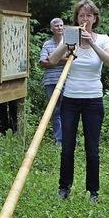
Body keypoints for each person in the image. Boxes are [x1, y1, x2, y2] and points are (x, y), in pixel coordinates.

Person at [48, 0, 109, 203]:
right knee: (67, 146)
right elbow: (52, 60)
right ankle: (64, 188)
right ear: (76, 18)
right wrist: (69, 43)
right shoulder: (70, 37)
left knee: (92, 147)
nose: (84, 19)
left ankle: (93, 191)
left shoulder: (103, 39)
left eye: (88, 15)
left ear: (95, 18)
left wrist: (92, 42)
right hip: (70, 98)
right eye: (81, 15)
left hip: (93, 99)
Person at [39, 17, 67, 145]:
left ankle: (70, 138)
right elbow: (43, 63)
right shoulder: (47, 44)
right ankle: (59, 140)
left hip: (67, 80)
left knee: (68, 109)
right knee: (55, 110)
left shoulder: (69, 43)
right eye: (56, 26)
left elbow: (73, 60)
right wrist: (62, 59)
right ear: (51, 29)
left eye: (61, 26)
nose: (59, 28)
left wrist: (53, 59)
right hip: (50, 81)